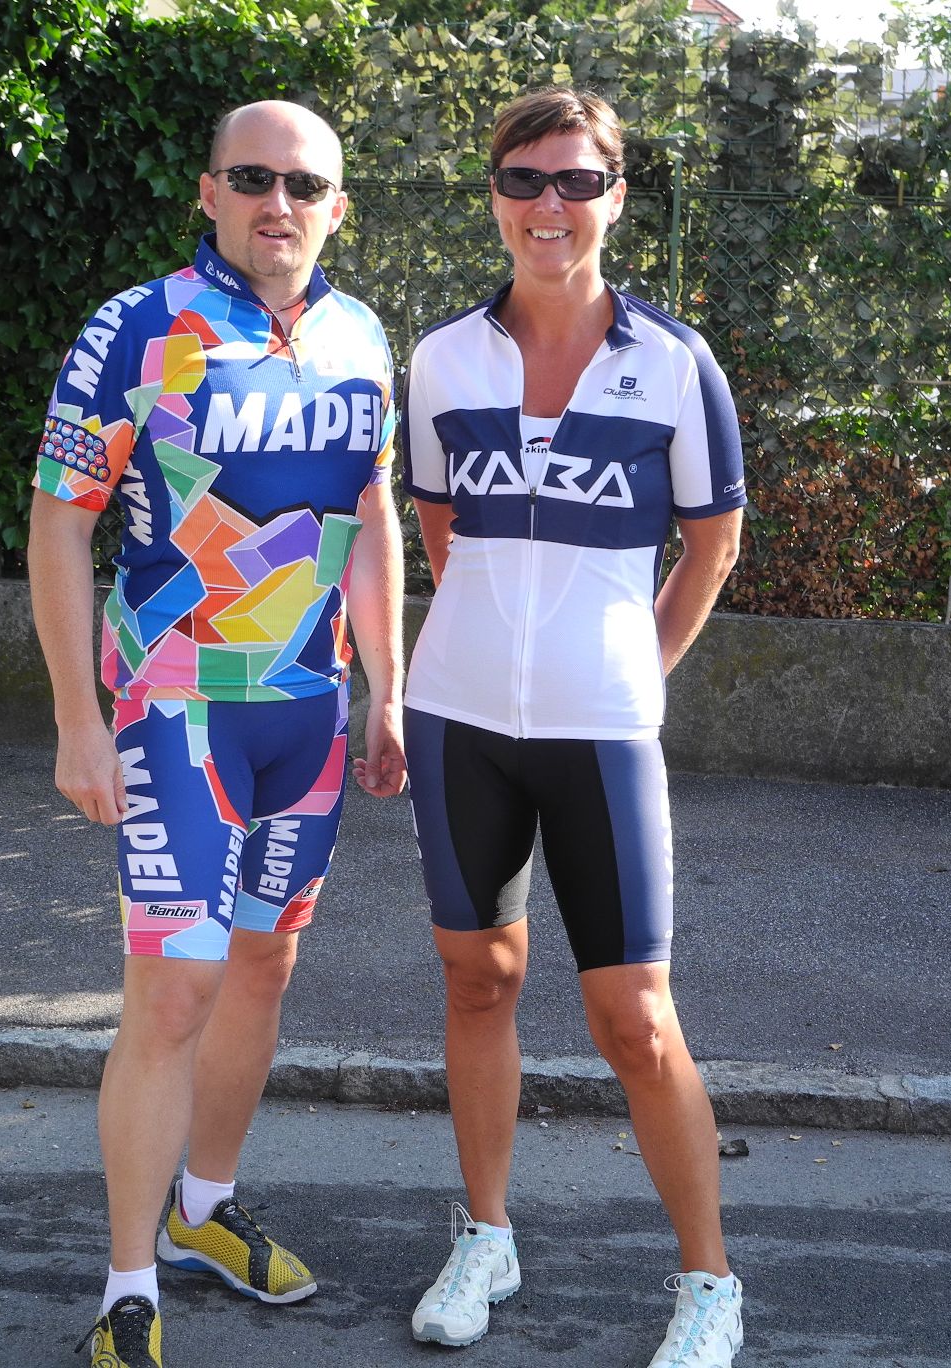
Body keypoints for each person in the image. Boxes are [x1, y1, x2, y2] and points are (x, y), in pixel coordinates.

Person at [27, 100, 404, 1368]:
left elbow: (370, 514)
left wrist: (390, 688)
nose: (275, 203)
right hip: (174, 708)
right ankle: (128, 1288)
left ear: (337, 207)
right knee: (177, 988)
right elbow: (60, 520)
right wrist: (76, 719)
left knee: (262, 971)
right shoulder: (138, 326)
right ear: (208, 192)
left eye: (301, 184)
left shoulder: (361, 336)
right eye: (250, 178)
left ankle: (205, 1210)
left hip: (310, 712)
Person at [400, 88, 747, 1368]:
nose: (549, 205)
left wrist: (626, 670)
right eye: (524, 180)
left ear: (616, 196)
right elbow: (442, 532)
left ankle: (710, 1285)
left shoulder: (677, 363)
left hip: (601, 728)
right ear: (495, 194)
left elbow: (712, 547)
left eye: (577, 182)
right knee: (477, 980)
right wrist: (495, 644)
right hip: (459, 718)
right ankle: (486, 1235)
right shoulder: (441, 359)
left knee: (634, 1020)